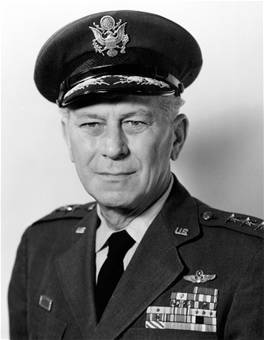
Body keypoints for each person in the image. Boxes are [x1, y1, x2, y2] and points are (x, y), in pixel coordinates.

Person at [8, 10, 263, 340]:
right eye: (91, 125)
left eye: (135, 123)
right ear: (67, 139)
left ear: (176, 137)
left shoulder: (249, 260)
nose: (113, 148)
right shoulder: (40, 245)